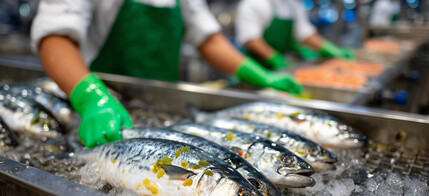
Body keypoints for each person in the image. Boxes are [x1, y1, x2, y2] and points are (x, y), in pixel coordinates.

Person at [31, 0, 303, 147]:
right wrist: (92, 98)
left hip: (161, 108)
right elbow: (55, 36)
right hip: (102, 107)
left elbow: (208, 38)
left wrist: (260, 75)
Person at [235, 0, 355, 70]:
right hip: (252, 66)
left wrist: (330, 48)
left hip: (279, 69)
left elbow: (304, 33)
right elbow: (250, 39)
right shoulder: (253, 3)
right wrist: (275, 57)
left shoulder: (293, 6)